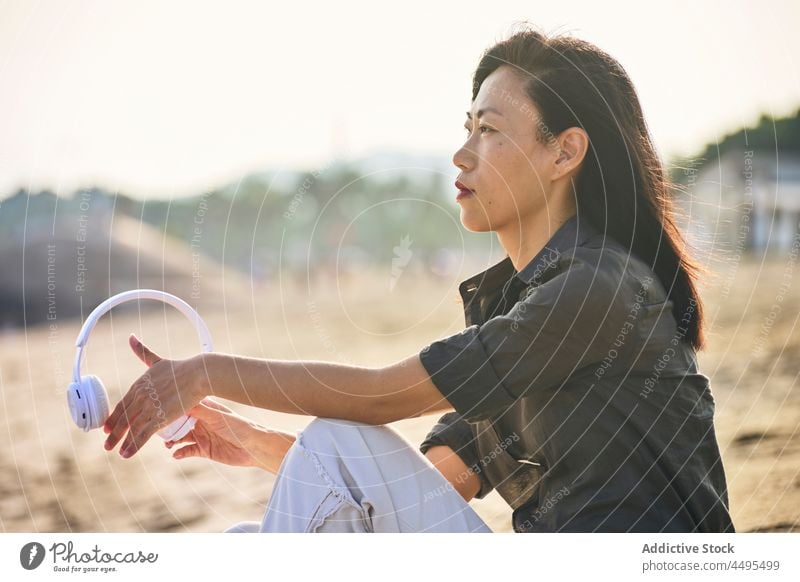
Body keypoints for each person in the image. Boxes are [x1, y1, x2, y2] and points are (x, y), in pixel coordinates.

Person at [102, 25, 735, 533]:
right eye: (467, 128)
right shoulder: (527, 305)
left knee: (335, 442)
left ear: (564, 153)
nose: (461, 154)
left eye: (488, 131)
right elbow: (428, 487)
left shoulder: (593, 291)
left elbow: (380, 397)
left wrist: (205, 371)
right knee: (251, 542)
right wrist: (254, 442)